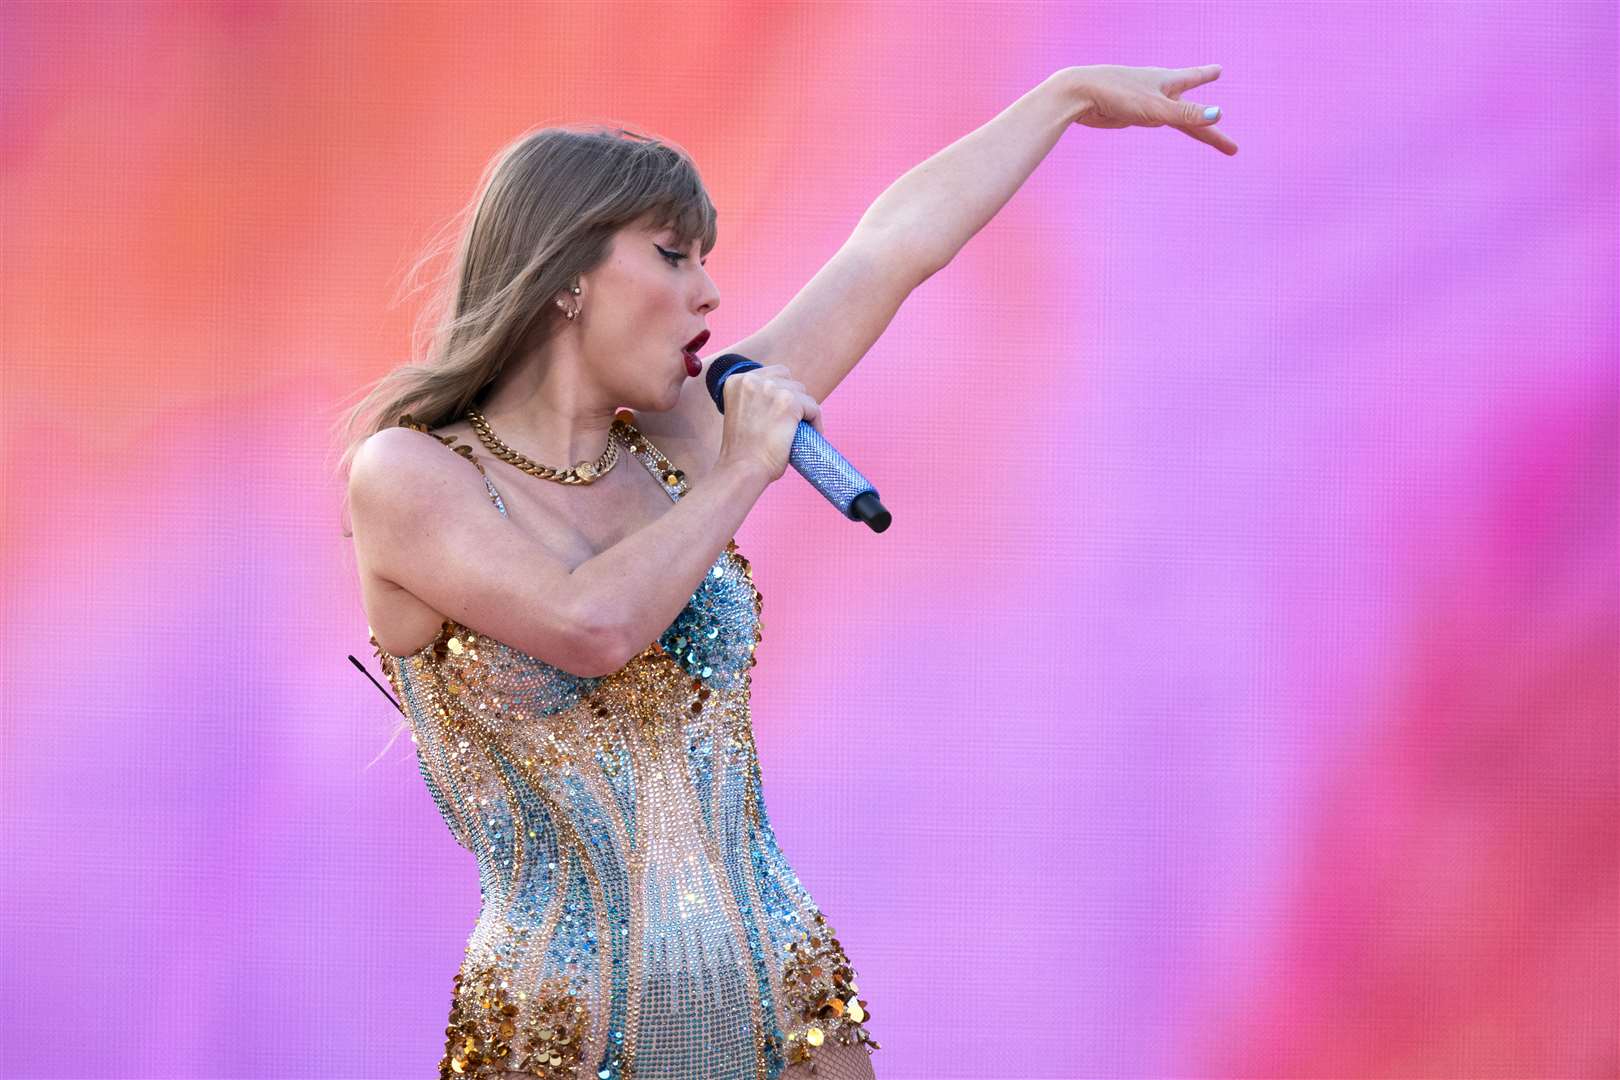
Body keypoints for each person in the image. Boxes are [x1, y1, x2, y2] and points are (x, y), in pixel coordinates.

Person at [336, 65, 1232, 1080]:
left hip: (783, 998)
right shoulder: (413, 472)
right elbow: (591, 626)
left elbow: (889, 251)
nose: (708, 293)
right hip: (560, 1030)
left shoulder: (680, 438)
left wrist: (1062, 101)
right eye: (673, 256)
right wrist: (748, 467)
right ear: (566, 275)